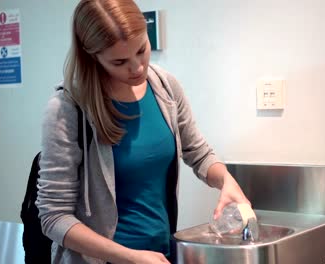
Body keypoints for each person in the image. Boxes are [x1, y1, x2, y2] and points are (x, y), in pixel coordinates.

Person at [35, 0, 251, 263]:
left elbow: (198, 152)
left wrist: (225, 180)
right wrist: (129, 257)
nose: (137, 67)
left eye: (142, 49)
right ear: (92, 55)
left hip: (161, 254)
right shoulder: (67, 108)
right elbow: (53, 217)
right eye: (119, 61)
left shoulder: (165, 87)